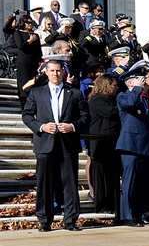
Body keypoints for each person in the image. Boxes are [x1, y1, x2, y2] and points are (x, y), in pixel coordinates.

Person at [21, 55, 89, 231]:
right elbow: (27, 115)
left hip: (67, 143)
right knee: (45, 183)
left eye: (59, 70)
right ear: (46, 72)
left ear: (63, 72)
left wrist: (72, 126)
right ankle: (44, 220)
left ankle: (71, 219)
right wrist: (42, 126)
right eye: (52, 71)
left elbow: (85, 117)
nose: (56, 74)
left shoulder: (73, 92)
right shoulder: (37, 92)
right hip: (45, 142)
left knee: (70, 182)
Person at [116, 61, 149, 227]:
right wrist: (137, 89)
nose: (142, 82)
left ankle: (140, 214)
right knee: (129, 183)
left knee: (142, 184)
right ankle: (127, 215)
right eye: (139, 80)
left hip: (144, 146)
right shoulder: (123, 96)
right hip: (130, 146)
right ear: (130, 82)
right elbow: (129, 105)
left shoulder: (143, 99)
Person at [86, 74, 121, 215]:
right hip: (100, 142)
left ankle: (112, 203)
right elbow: (110, 113)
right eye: (114, 85)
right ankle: (101, 204)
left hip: (111, 142)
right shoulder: (97, 100)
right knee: (101, 176)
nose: (116, 88)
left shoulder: (111, 100)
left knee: (111, 175)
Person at [13, 13, 42, 108]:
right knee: (23, 82)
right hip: (24, 61)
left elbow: (38, 49)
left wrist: (40, 61)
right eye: (28, 23)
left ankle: (33, 104)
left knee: (34, 82)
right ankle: (24, 104)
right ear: (23, 23)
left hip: (33, 61)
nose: (30, 24)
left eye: (31, 23)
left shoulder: (35, 35)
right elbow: (21, 46)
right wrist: (30, 41)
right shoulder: (18, 33)